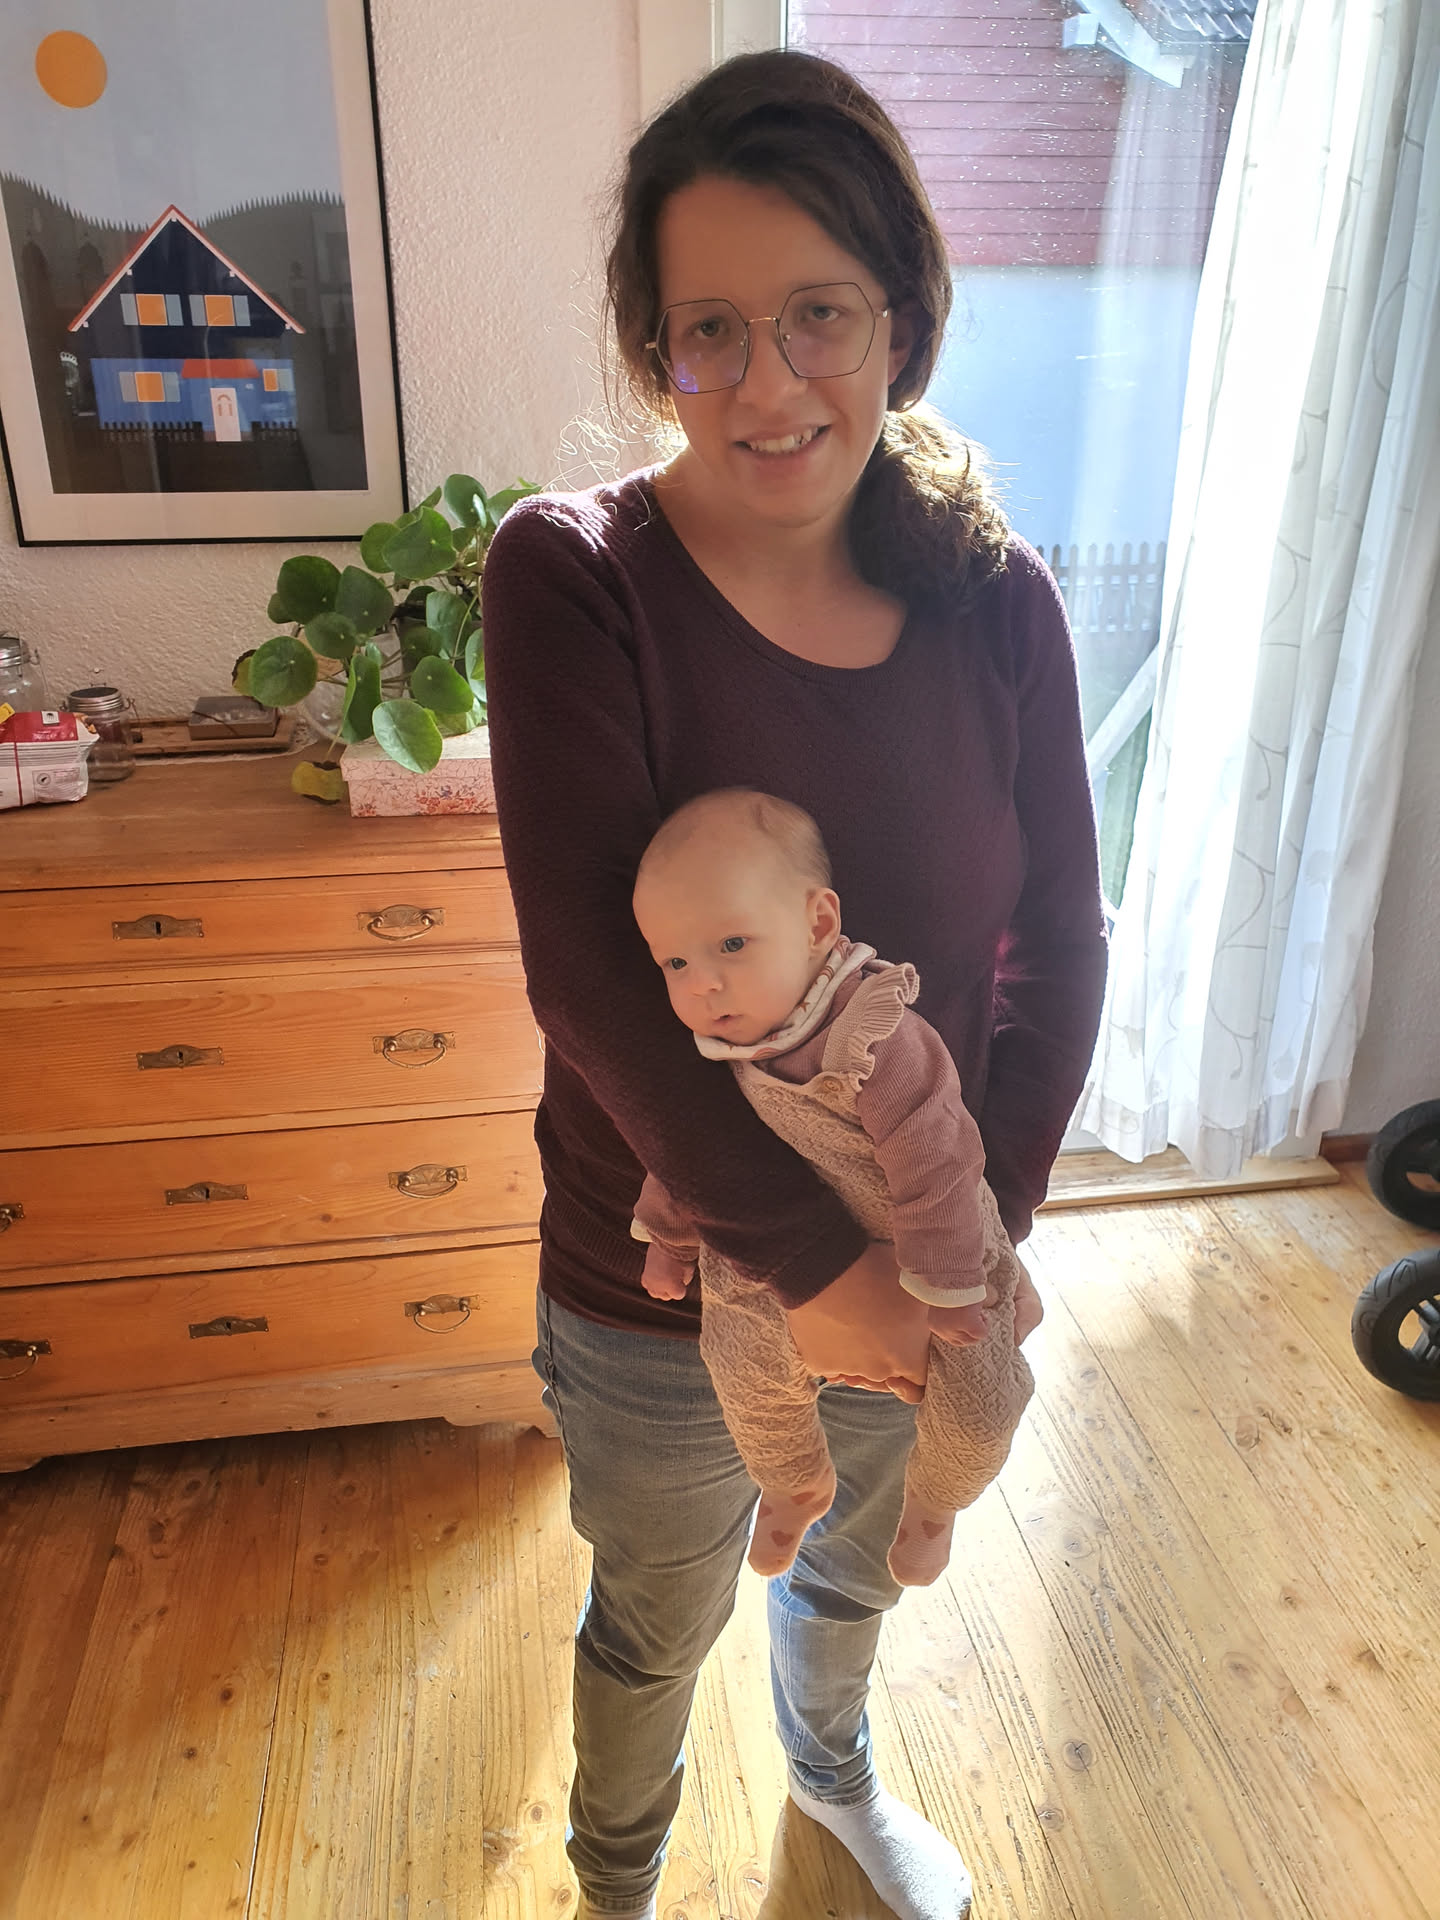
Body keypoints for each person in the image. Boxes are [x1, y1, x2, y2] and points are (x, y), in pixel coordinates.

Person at [482, 46, 1108, 1920]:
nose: (768, 384)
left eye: (820, 314)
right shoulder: (575, 577)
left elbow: (1057, 937)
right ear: (655, 349)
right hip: (669, 1284)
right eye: (711, 332)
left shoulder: (998, 597)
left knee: (850, 1572)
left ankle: (830, 1776)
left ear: (899, 316)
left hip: (924, 1253)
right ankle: (616, 1877)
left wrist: (968, 1241)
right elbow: (588, 977)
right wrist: (823, 1273)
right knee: (659, 1610)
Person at [629, 787, 1037, 1591]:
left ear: (818, 923)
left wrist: (948, 1283)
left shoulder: (874, 1036)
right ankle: (792, 1482)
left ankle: (937, 1503)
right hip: (768, 1255)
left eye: (732, 944)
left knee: (979, 1401)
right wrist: (669, 1240)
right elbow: (686, 1154)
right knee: (740, 1366)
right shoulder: (715, 1052)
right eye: (675, 962)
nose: (703, 984)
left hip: (931, 1243)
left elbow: (938, 1159)